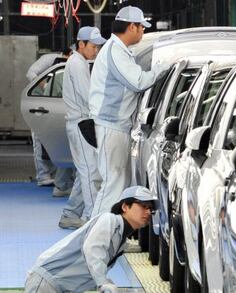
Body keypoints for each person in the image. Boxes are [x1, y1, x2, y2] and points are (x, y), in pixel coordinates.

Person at [89, 5, 169, 217]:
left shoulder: (120, 51)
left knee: (117, 185)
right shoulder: (115, 51)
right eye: (142, 27)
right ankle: (93, 237)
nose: (143, 31)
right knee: (112, 186)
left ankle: (108, 237)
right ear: (132, 27)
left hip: (117, 126)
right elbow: (138, 81)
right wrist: (161, 69)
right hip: (111, 126)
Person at [24, 185, 158, 293]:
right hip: (47, 282)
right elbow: (93, 250)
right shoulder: (108, 220)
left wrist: (105, 283)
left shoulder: (121, 241)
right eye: (143, 205)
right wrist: (103, 282)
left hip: (61, 287)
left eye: (150, 209)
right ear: (124, 207)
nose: (148, 212)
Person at [58, 26, 106, 229]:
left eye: (97, 46)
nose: (95, 50)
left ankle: (70, 214)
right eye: (93, 46)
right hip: (81, 122)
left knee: (83, 171)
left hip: (80, 122)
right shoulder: (77, 64)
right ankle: (92, 219)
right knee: (89, 172)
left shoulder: (79, 62)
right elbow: (88, 96)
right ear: (81, 44)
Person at [26, 48, 76, 197]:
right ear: (68, 53)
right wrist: (46, 86)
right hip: (40, 103)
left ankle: (57, 178)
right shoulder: (50, 60)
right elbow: (30, 73)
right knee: (39, 141)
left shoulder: (72, 66)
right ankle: (42, 176)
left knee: (56, 143)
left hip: (57, 105)